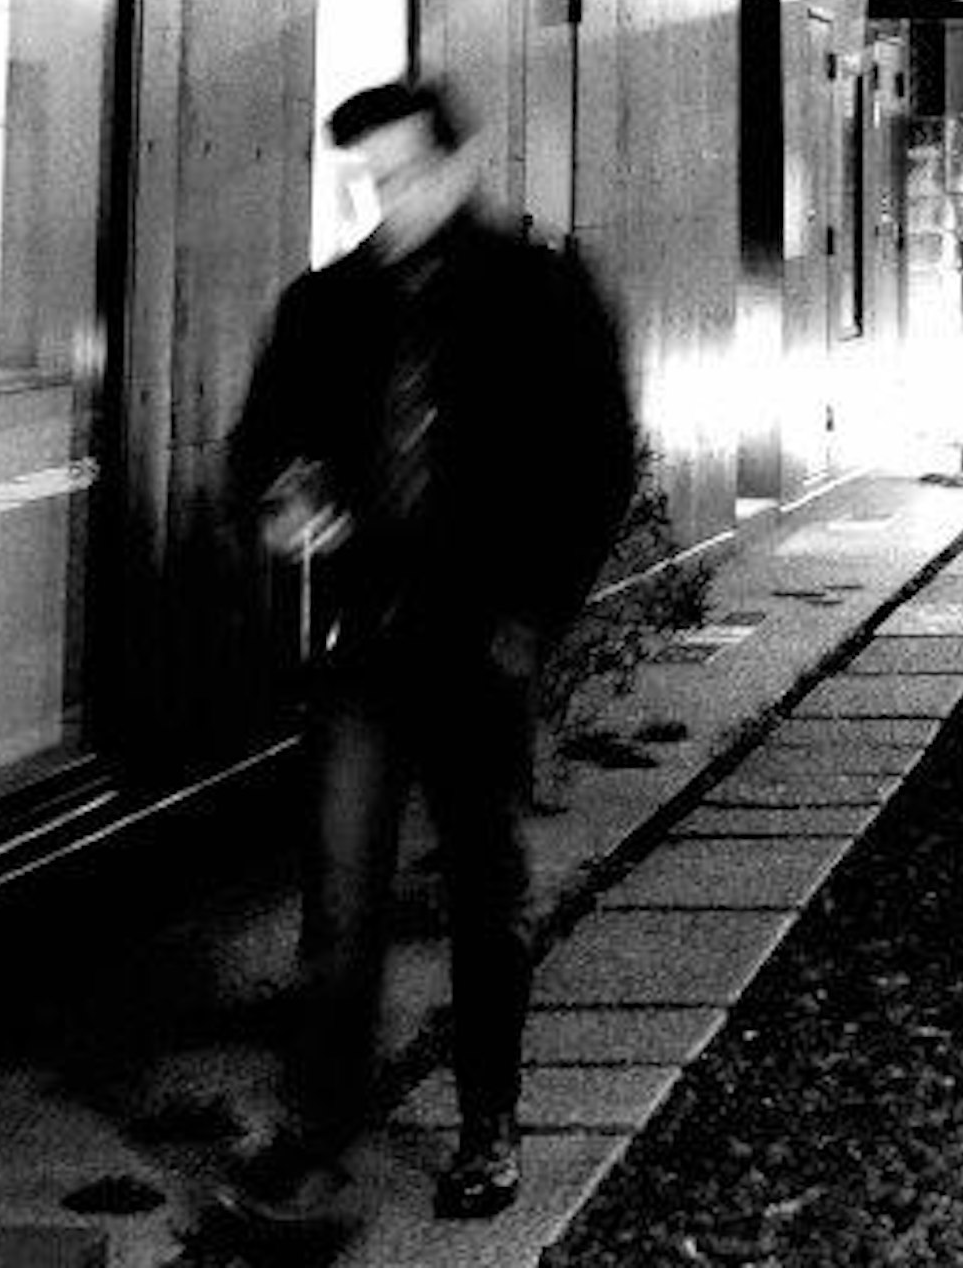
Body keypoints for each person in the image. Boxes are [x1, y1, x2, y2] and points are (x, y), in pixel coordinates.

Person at [223, 74, 635, 1244]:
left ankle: (488, 1122)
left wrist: (531, 617)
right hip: (362, 645)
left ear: (457, 167)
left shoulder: (538, 296)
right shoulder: (325, 308)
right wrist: (279, 499)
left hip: (480, 645)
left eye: (402, 174)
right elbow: (260, 445)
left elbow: (596, 458)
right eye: (366, 182)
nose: (384, 199)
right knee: (340, 905)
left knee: (482, 890)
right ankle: (318, 1140)